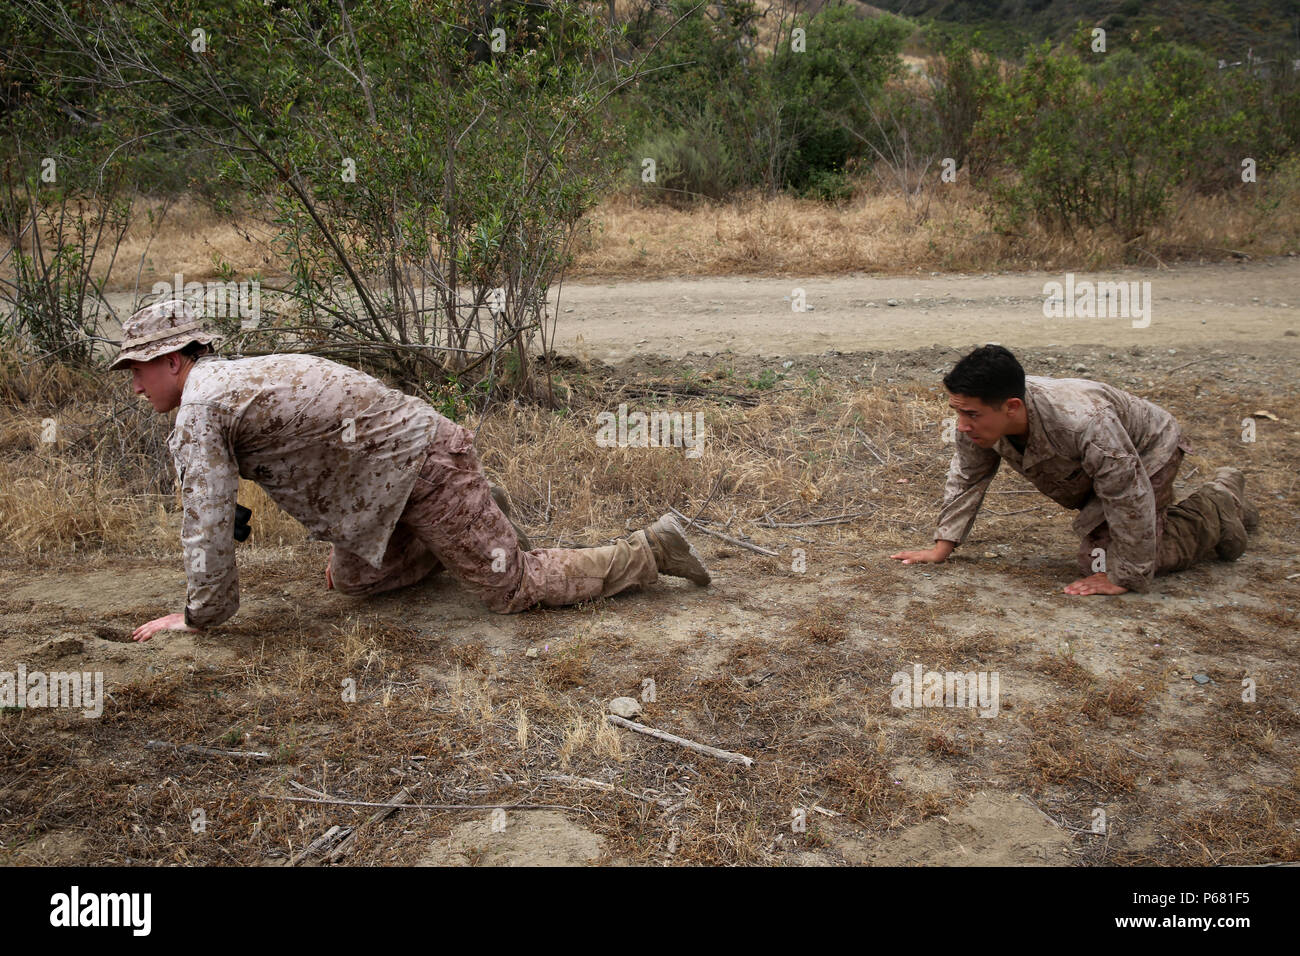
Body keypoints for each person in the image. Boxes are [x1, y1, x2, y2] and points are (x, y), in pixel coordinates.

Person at [113, 300, 711, 642]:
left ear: (171, 360)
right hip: (385, 490)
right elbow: (225, 504)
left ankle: (651, 551)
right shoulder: (225, 383)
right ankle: (474, 518)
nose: (134, 384)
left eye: (138, 368)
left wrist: (198, 618)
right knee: (351, 582)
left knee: (512, 589)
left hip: (420, 469)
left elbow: (206, 528)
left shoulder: (201, 406)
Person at [890, 344, 1259, 596]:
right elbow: (968, 476)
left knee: (1102, 562)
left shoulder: (1085, 424)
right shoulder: (978, 419)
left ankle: (1216, 504)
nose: (961, 425)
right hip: (1102, 473)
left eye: (970, 414)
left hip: (1149, 453)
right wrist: (942, 547)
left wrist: (1126, 576)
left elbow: (1127, 492)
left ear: (1012, 407)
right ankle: (1217, 504)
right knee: (1104, 554)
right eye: (957, 411)